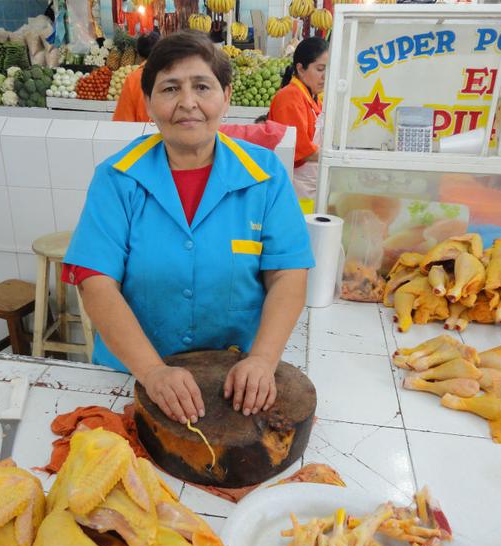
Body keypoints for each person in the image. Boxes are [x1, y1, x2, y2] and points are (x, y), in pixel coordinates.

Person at [63, 31, 314, 426]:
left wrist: (263, 360)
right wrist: (152, 371)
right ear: (147, 102)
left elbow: (288, 274)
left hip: (236, 379)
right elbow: (95, 281)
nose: (187, 103)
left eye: (202, 86)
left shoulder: (265, 177)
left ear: (226, 96)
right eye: (169, 88)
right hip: (132, 375)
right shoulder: (117, 178)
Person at [267, 37, 328, 202]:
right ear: (301, 69)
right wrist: (334, 157)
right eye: (320, 69)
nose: (325, 76)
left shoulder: (317, 98)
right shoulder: (290, 97)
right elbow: (302, 150)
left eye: (328, 69)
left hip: (310, 186)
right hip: (293, 187)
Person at [112, 30, 160, 122]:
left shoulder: (133, 79)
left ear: (138, 54)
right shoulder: (171, 75)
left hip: (142, 134)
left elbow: (123, 120)